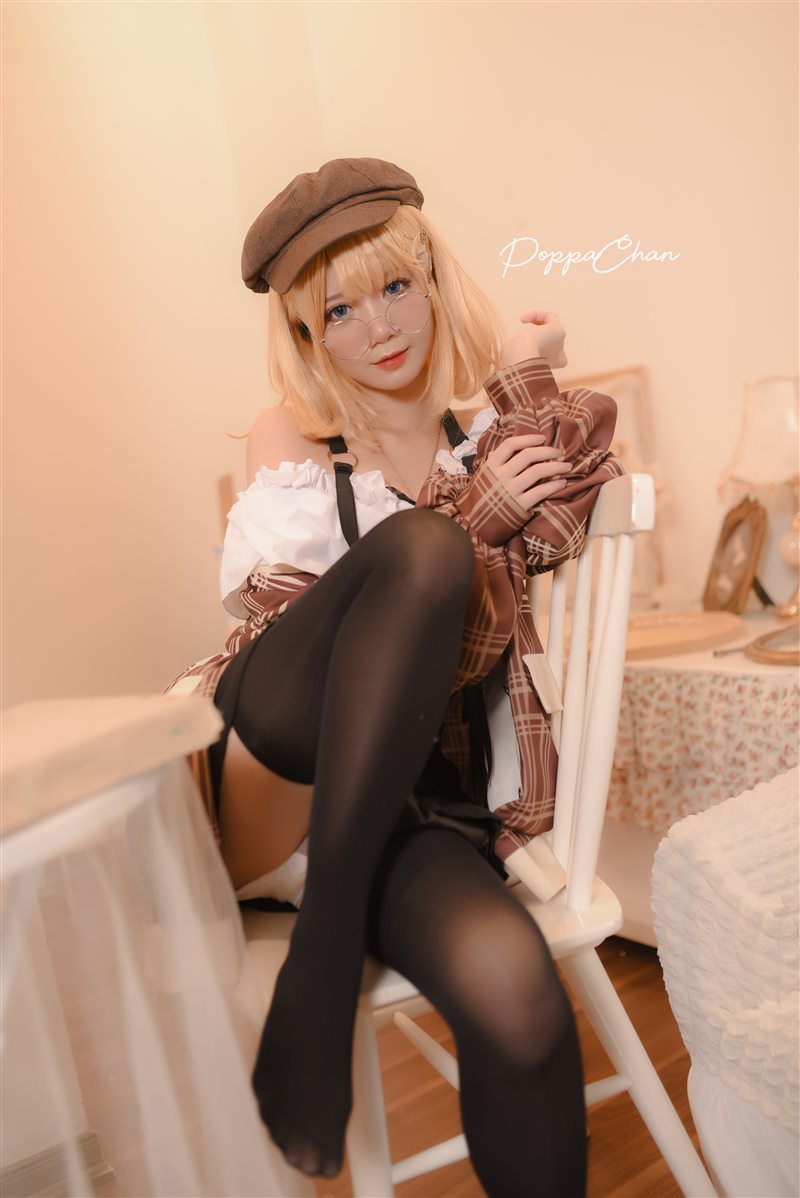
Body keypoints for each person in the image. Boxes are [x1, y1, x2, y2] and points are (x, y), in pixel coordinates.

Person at [166, 157, 622, 1196]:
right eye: (338, 310)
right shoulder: (296, 440)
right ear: (305, 335)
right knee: (424, 552)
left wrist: (525, 366)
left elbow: (566, 508)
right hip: (271, 768)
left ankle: (320, 969)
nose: (377, 327)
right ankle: (327, 956)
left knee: (517, 992)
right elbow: (293, 627)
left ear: (433, 280)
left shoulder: (484, 436)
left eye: (396, 287)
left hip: (412, 805)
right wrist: (471, 518)